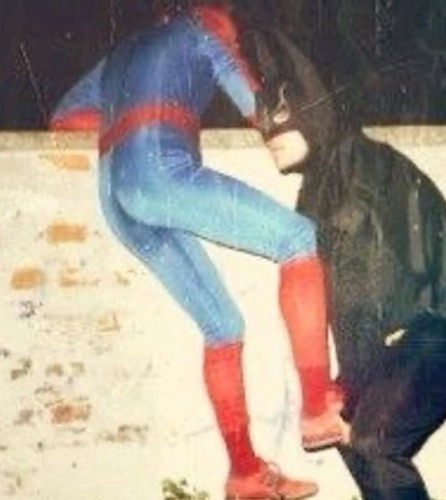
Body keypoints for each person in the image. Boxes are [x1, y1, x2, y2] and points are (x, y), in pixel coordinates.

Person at [49, 1, 349, 498]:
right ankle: (316, 408)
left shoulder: (123, 52)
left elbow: (65, 118)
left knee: (222, 327)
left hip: (116, 197)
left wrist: (134, 119)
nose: (232, 37)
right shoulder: (201, 31)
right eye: (231, 29)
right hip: (161, 173)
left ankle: (244, 474)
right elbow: (259, 109)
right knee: (296, 238)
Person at [238, 22, 446, 500]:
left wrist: (351, 389)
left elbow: (371, 287)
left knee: (370, 439)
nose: (269, 132)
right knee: (350, 435)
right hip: (406, 337)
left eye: (284, 114)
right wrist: (347, 391)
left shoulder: (360, 167)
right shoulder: (321, 184)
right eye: (264, 121)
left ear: (315, 110)